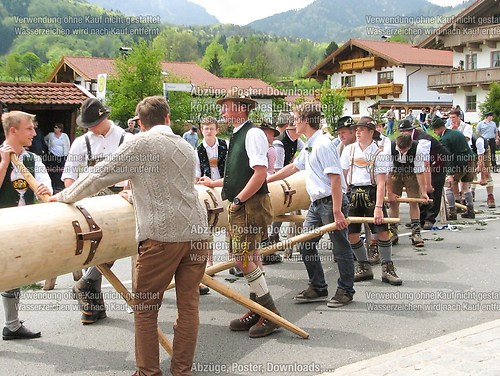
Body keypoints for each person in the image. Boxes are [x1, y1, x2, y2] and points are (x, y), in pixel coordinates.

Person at [54, 95, 209, 376]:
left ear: (140, 123)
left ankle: (148, 372)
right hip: (197, 233)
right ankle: (182, 371)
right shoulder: (186, 146)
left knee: (146, 309)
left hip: (162, 237)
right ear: (167, 118)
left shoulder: (141, 143)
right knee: (189, 309)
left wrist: (63, 197)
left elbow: (100, 174)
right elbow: (176, 186)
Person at [199, 88, 281, 338]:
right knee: (250, 256)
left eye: (227, 105)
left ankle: (269, 313)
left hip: (250, 205)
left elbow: (260, 172)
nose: (222, 110)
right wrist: (214, 183)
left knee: (242, 259)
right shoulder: (238, 133)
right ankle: (257, 309)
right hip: (244, 204)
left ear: (242, 108)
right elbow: (241, 174)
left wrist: (237, 200)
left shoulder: (253, 133)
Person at [267, 102, 355, 307]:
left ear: (306, 121)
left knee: (340, 247)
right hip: (316, 204)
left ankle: (346, 290)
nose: (293, 123)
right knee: (305, 244)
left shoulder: (323, 144)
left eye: (296, 119)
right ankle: (318, 286)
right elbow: (293, 168)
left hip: (331, 202)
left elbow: (335, 179)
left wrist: (337, 210)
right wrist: (267, 180)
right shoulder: (310, 144)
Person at [62, 97, 133, 324]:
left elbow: (136, 172)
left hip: (120, 200)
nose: (89, 128)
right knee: (91, 247)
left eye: (93, 123)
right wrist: (73, 201)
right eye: (87, 124)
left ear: (105, 117)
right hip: (91, 201)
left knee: (112, 245)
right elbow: (69, 175)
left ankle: (85, 284)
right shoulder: (81, 143)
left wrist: (129, 189)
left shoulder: (127, 138)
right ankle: (93, 308)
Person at [1, 110, 52, 340]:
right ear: (14, 131)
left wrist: (44, 192)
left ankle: (11, 326)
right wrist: (4, 163)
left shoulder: (33, 160)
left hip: (23, 227)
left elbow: (46, 192)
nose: (34, 132)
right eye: (29, 128)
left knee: (14, 274)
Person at [340, 116, 402, 286]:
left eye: (361, 129)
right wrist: (341, 199)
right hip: (352, 192)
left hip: (372, 192)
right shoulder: (349, 150)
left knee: (382, 231)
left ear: (371, 131)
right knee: (351, 234)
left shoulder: (379, 152)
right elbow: (342, 176)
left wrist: (378, 207)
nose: (357, 132)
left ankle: (388, 268)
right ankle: (364, 266)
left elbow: (381, 182)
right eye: (356, 129)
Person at [195, 116, 229, 287]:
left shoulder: (225, 145)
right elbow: (196, 174)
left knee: (230, 223)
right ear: (201, 130)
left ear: (217, 130)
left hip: (225, 186)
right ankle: (210, 263)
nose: (208, 131)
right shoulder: (198, 150)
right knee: (208, 226)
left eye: (211, 128)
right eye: (206, 128)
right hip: (207, 190)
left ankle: (232, 260)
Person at [399, 118, 449, 230]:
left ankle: (430, 219)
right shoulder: (406, 140)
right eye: (401, 131)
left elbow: (426, 162)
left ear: (410, 131)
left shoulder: (423, 139)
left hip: (437, 163)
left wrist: (427, 184)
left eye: (405, 131)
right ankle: (419, 219)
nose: (403, 133)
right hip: (425, 163)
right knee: (420, 190)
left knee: (433, 190)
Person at [387, 129, 429, 248]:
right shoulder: (389, 148)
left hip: (411, 173)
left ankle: (416, 233)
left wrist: (424, 192)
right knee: (393, 202)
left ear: (409, 146)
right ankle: (393, 233)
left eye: (404, 149)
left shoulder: (418, 149)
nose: (401, 151)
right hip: (395, 172)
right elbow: (388, 173)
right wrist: (389, 192)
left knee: (414, 201)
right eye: (399, 148)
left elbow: (420, 172)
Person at [431, 117, 476, 219]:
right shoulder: (456, 133)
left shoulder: (445, 139)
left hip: (460, 163)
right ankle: (470, 211)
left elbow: (448, 157)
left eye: (435, 129)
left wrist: (450, 174)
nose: (435, 132)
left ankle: (452, 212)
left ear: (439, 128)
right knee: (465, 187)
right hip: (470, 160)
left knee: (448, 186)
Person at [471, 132, 496, 208]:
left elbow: (481, 159)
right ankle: (471, 193)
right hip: (471, 152)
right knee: (471, 172)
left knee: (486, 172)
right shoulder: (462, 142)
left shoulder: (479, 141)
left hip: (484, 151)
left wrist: (483, 177)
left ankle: (490, 196)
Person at [44, 123, 70, 192]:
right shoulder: (51, 135)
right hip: (53, 155)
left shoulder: (65, 136)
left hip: (62, 156)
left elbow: (68, 145)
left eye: (56, 127)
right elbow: (45, 139)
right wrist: (49, 146)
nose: (54, 129)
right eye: (54, 127)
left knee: (61, 170)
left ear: (60, 129)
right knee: (54, 171)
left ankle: (61, 185)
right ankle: (55, 185)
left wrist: (67, 154)